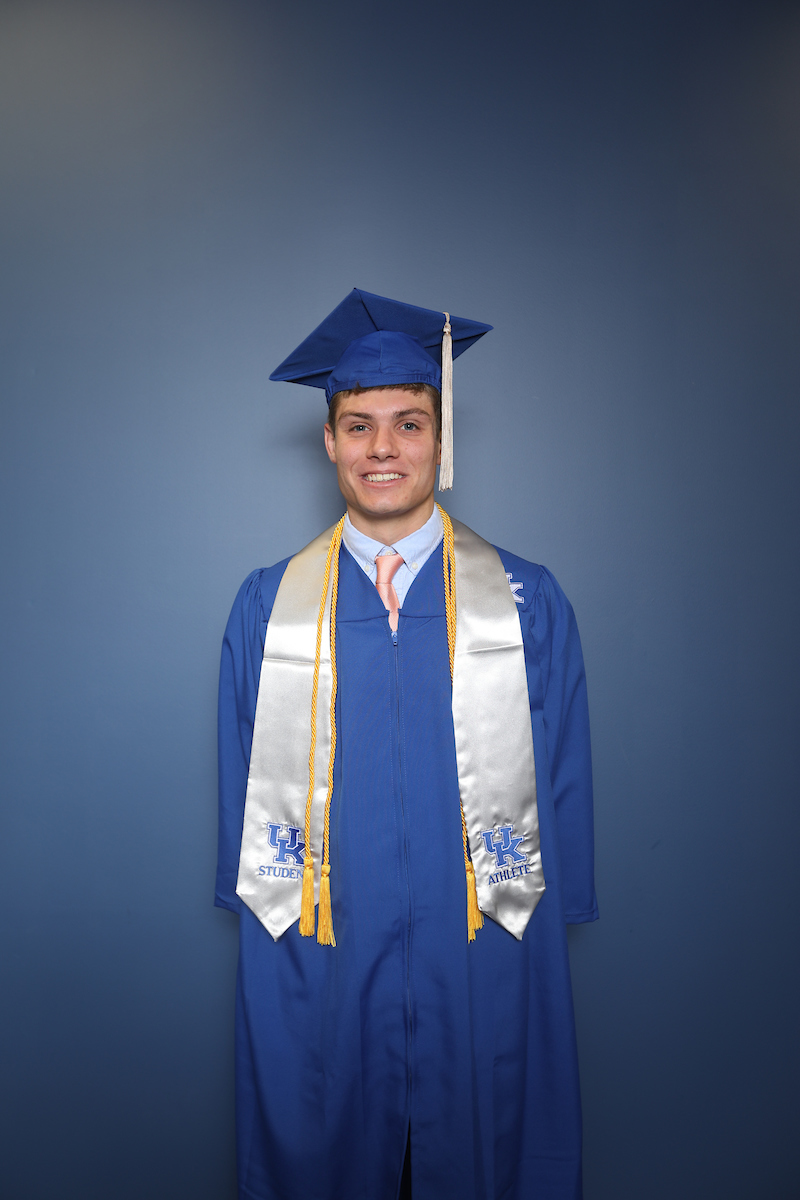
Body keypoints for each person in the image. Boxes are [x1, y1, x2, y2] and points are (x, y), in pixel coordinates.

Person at [216, 289, 598, 1200]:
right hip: (323, 939)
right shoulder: (269, 605)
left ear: (440, 436)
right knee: (322, 1142)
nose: (383, 448)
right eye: (360, 426)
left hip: (483, 939)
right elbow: (242, 777)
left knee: (489, 1146)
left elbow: (564, 775)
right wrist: (266, 903)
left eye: (409, 424)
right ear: (330, 442)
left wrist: (551, 905)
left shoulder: (526, 601)